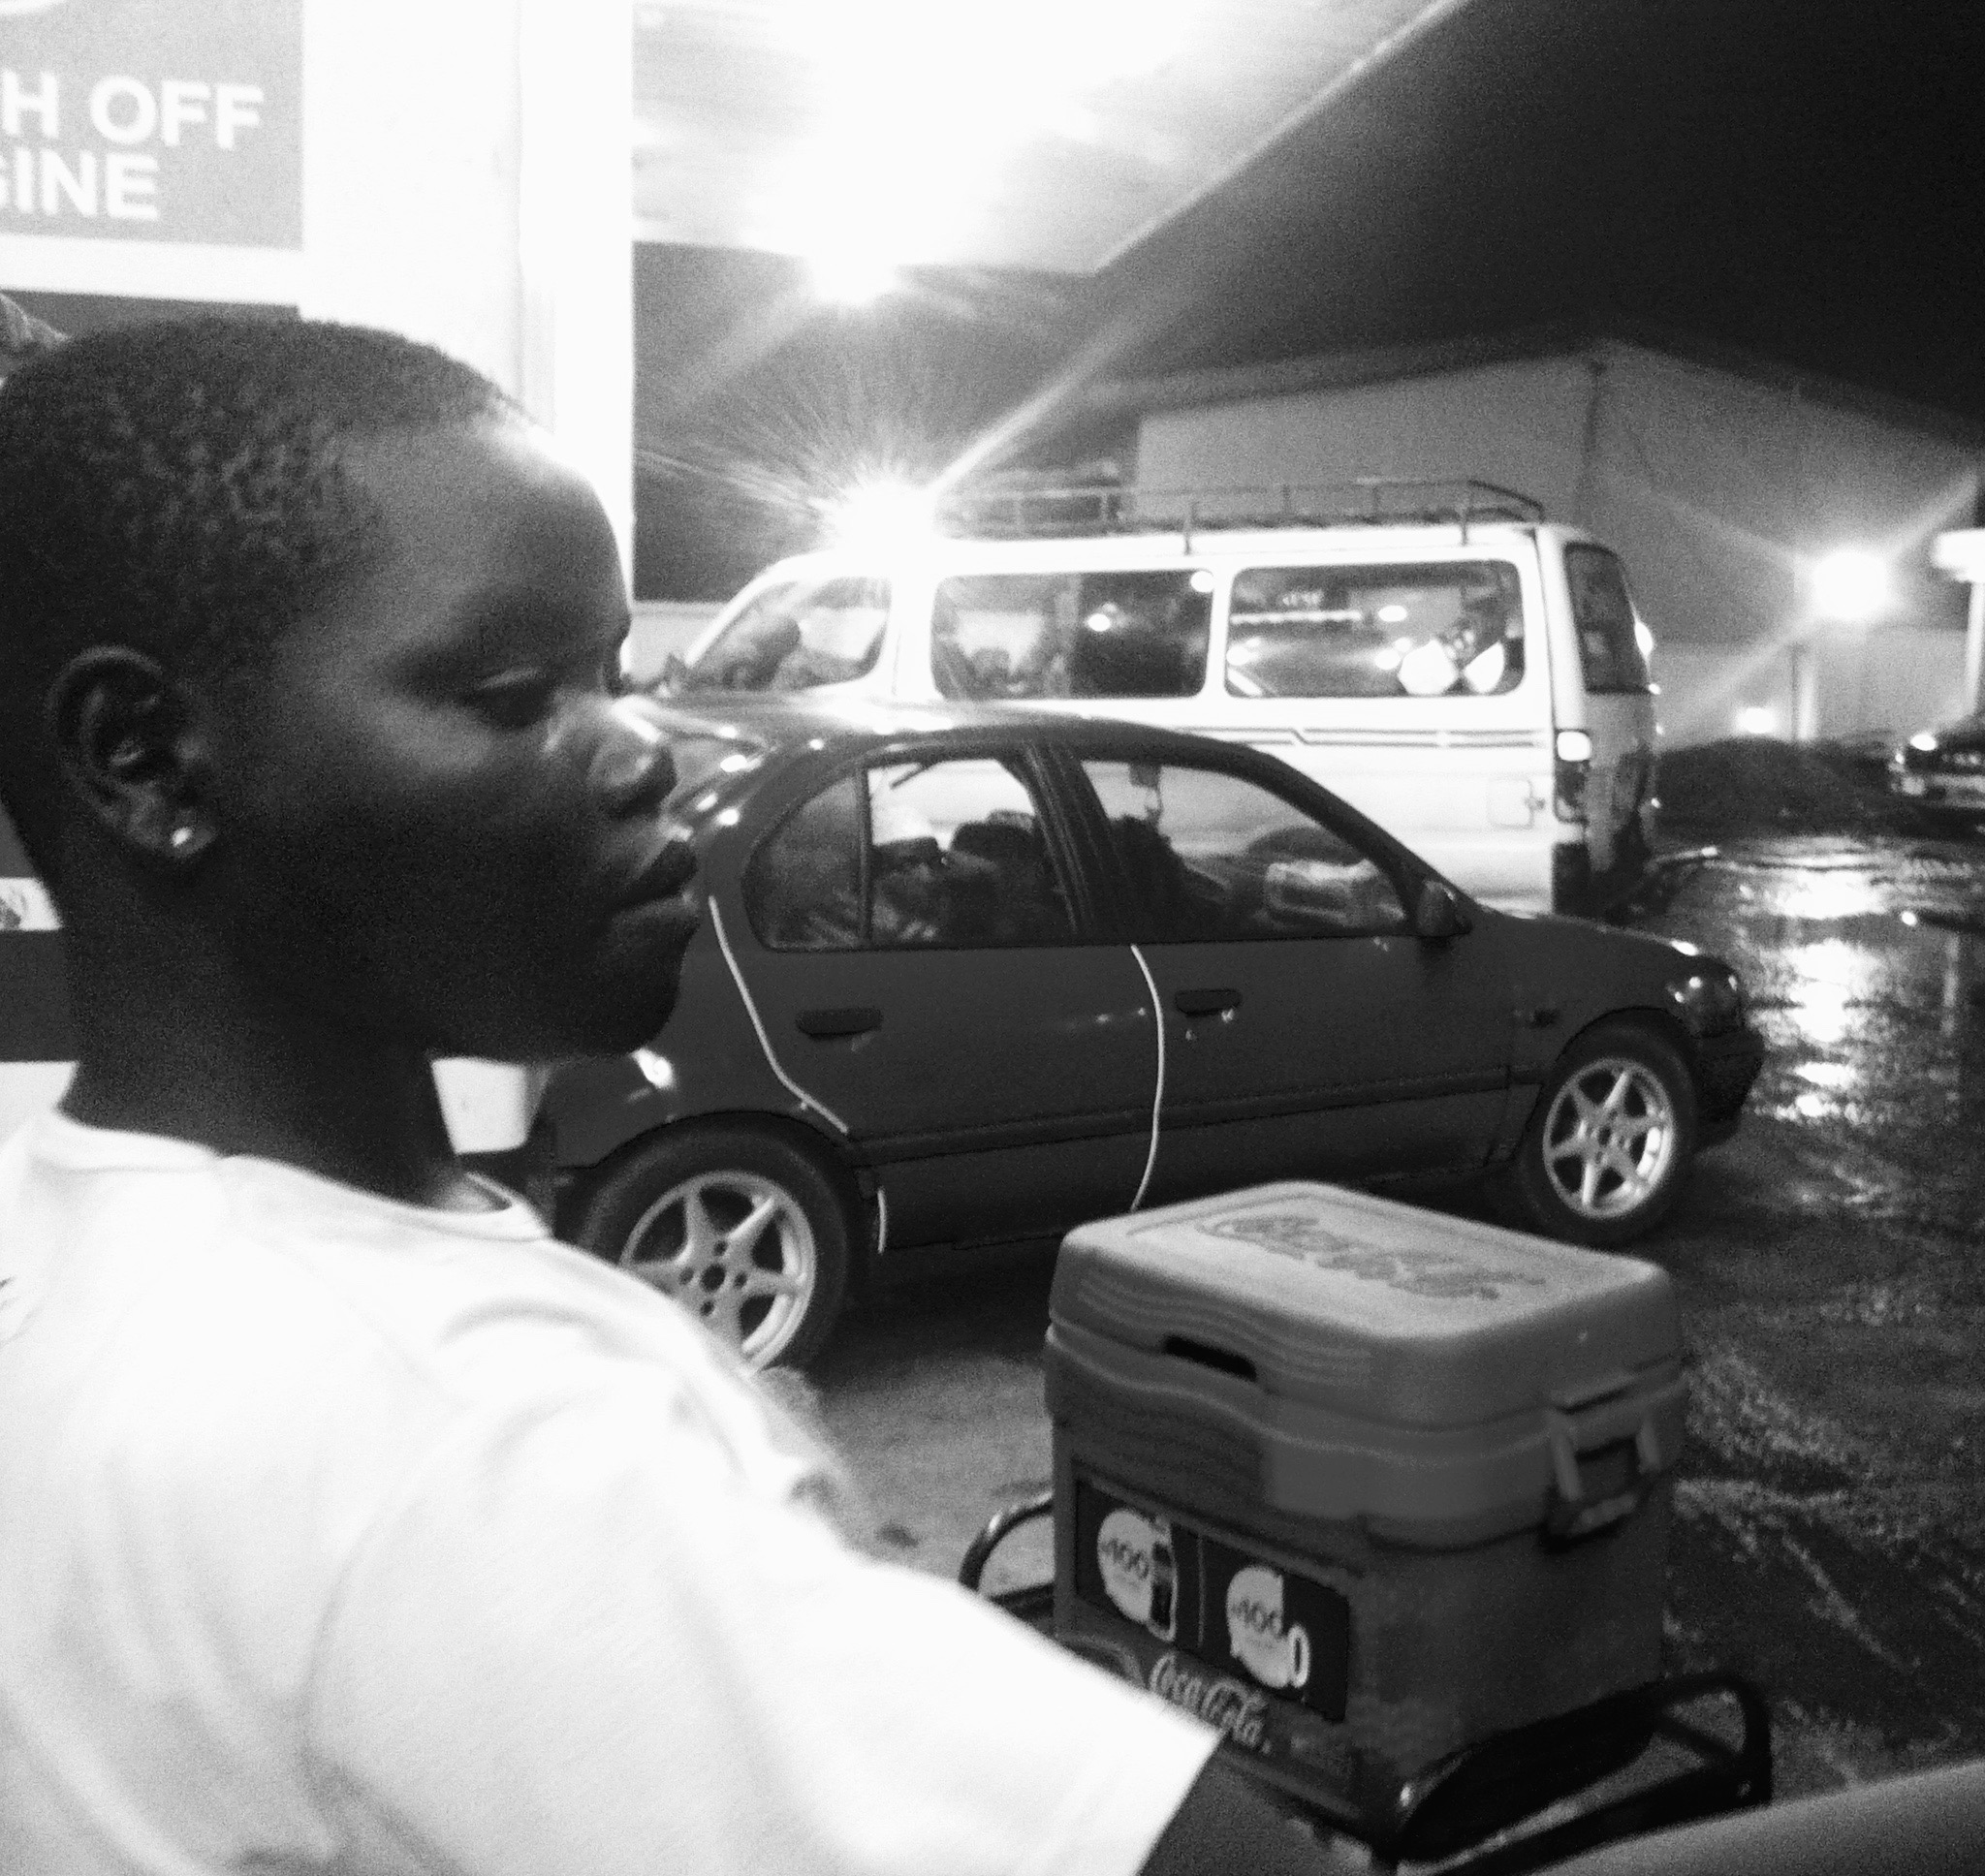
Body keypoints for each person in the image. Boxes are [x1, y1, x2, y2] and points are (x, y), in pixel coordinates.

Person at [0, 313, 1315, 1876]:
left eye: (614, 670)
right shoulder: (484, 1437)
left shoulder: (70, 1241)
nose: (646, 751)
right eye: (511, 692)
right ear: (145, 756)